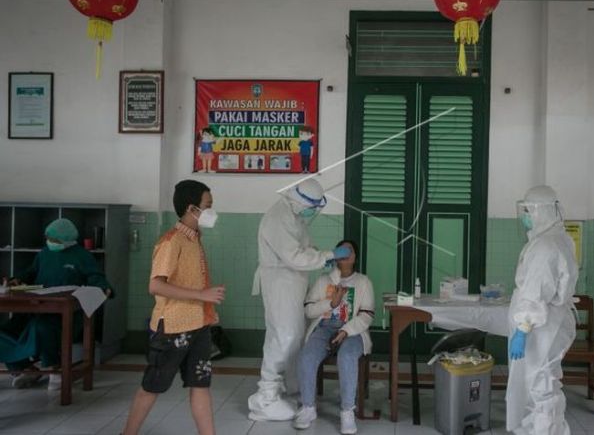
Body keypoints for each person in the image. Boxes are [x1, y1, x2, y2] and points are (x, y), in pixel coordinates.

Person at [122, 180, 225, 435]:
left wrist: (206, 305)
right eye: (208, 206)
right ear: (192, 208)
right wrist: (201, 294)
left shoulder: (194, 239)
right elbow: (156, 286)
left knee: (200, 384)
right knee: (153, 385)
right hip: (172, 328)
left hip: (199, 326)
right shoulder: (171, 241)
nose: (212, 211)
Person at [248, 178, 352, 421]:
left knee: (294, 335)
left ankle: (281, 389)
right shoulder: (279, 217)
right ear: (298, 201)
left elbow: (303, 249)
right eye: (311, 206)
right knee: (284, 336)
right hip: (280, 282)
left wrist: (322, 257)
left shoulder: (294, 216)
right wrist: (328, 255)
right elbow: (294, 257)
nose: (312, 211)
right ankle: (265, 397)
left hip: (293, 282)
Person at [0, 218, 113, 390]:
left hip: (64, 313)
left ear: (67, 239)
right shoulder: (44, 253)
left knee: (42, 328)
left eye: (55, 240)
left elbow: (95, 276)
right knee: (7, 330)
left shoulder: (81, 256)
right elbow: (31, 272)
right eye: (49, 239)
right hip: (36, 307)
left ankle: (53, 367)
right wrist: (17, 280)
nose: (51, 243)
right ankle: (23, 368)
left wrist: (104, 288)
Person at [506, 185, 579, 435]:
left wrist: (523, 328)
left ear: (541, 212)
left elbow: (536, 291)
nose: (525, 216)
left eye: (528, 211)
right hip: (550, 322)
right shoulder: (558, 238)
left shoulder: (545, 246)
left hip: (541, 327)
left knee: (541, 385)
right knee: (541, 383)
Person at [293, 239, 374, 434]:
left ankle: (347, 412)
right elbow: (309, 310)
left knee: (346, 357)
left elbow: (367, 315)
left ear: (355, 257)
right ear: (336, 255)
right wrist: (331, 303)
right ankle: (308, 407)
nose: (346, 254)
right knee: (307, 356)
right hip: (324, 328)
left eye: (350, 251)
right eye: (342, 251)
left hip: (352, 331)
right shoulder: (323, 280)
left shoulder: (363, 282)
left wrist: (346, 331)